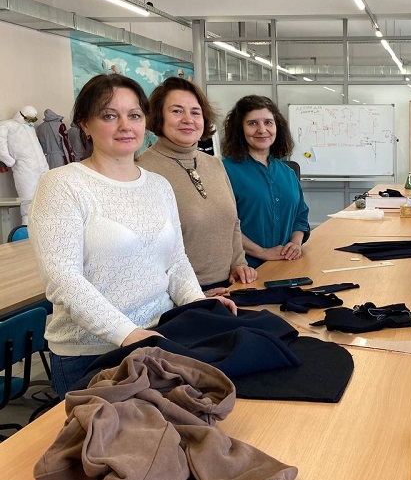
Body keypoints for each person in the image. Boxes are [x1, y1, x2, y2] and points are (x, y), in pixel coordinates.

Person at [27, 74, 238, 398]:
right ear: (85, 124)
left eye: (134, 115)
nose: (125, 126)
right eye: (110, 115)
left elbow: (176, 262)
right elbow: (63, 280)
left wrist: (198, 305)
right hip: (93, 356)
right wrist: (130, 335)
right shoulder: (62, 185)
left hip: (161, 339)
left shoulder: (157, 185)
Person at [137, 77, 256, 294]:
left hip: (230, 287)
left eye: (195, 112)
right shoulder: (142, 170)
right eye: (176, 111)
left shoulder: (215, 164)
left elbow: (234, 223)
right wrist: (191, 296)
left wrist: (238, 263)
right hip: (180, 297)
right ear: (158, 116)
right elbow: (144, 251)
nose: (188, 119)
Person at [222, 95, 310, 268]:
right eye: (252, 123)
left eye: (268, 122)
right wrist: (262, 252)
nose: (262, 130)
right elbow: (223, 225)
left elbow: (300, 216)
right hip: (244, 270)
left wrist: (295, 244)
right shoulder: (224, 171)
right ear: (240, 129)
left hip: (286, 265)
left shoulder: (287, 173)